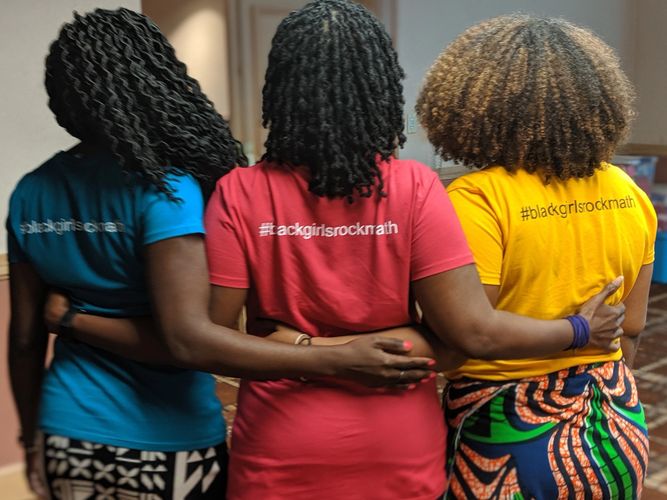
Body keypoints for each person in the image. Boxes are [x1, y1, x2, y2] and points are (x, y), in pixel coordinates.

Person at [41, 2, 624, 499]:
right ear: (379, 88)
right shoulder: (415, 186)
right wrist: (578, 330)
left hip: (280, 444)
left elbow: (204, 339)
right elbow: (460, 339)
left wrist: (306, 346)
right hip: (398, 440)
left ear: (280, 89)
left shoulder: (241, 191)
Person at [7, 8, 438, 500]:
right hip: (169, 437)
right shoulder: (166, 193)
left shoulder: (30, 191)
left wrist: (36, 422)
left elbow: (23, 340)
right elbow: (186, 340)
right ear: (156, 80)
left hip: (68, 426)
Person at [416, 14, 654, 499]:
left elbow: (466, 339)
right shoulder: (627, 189)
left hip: (511, 438)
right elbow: (630, 330)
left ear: (473, 105)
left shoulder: (477, 198)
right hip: (618, 426)